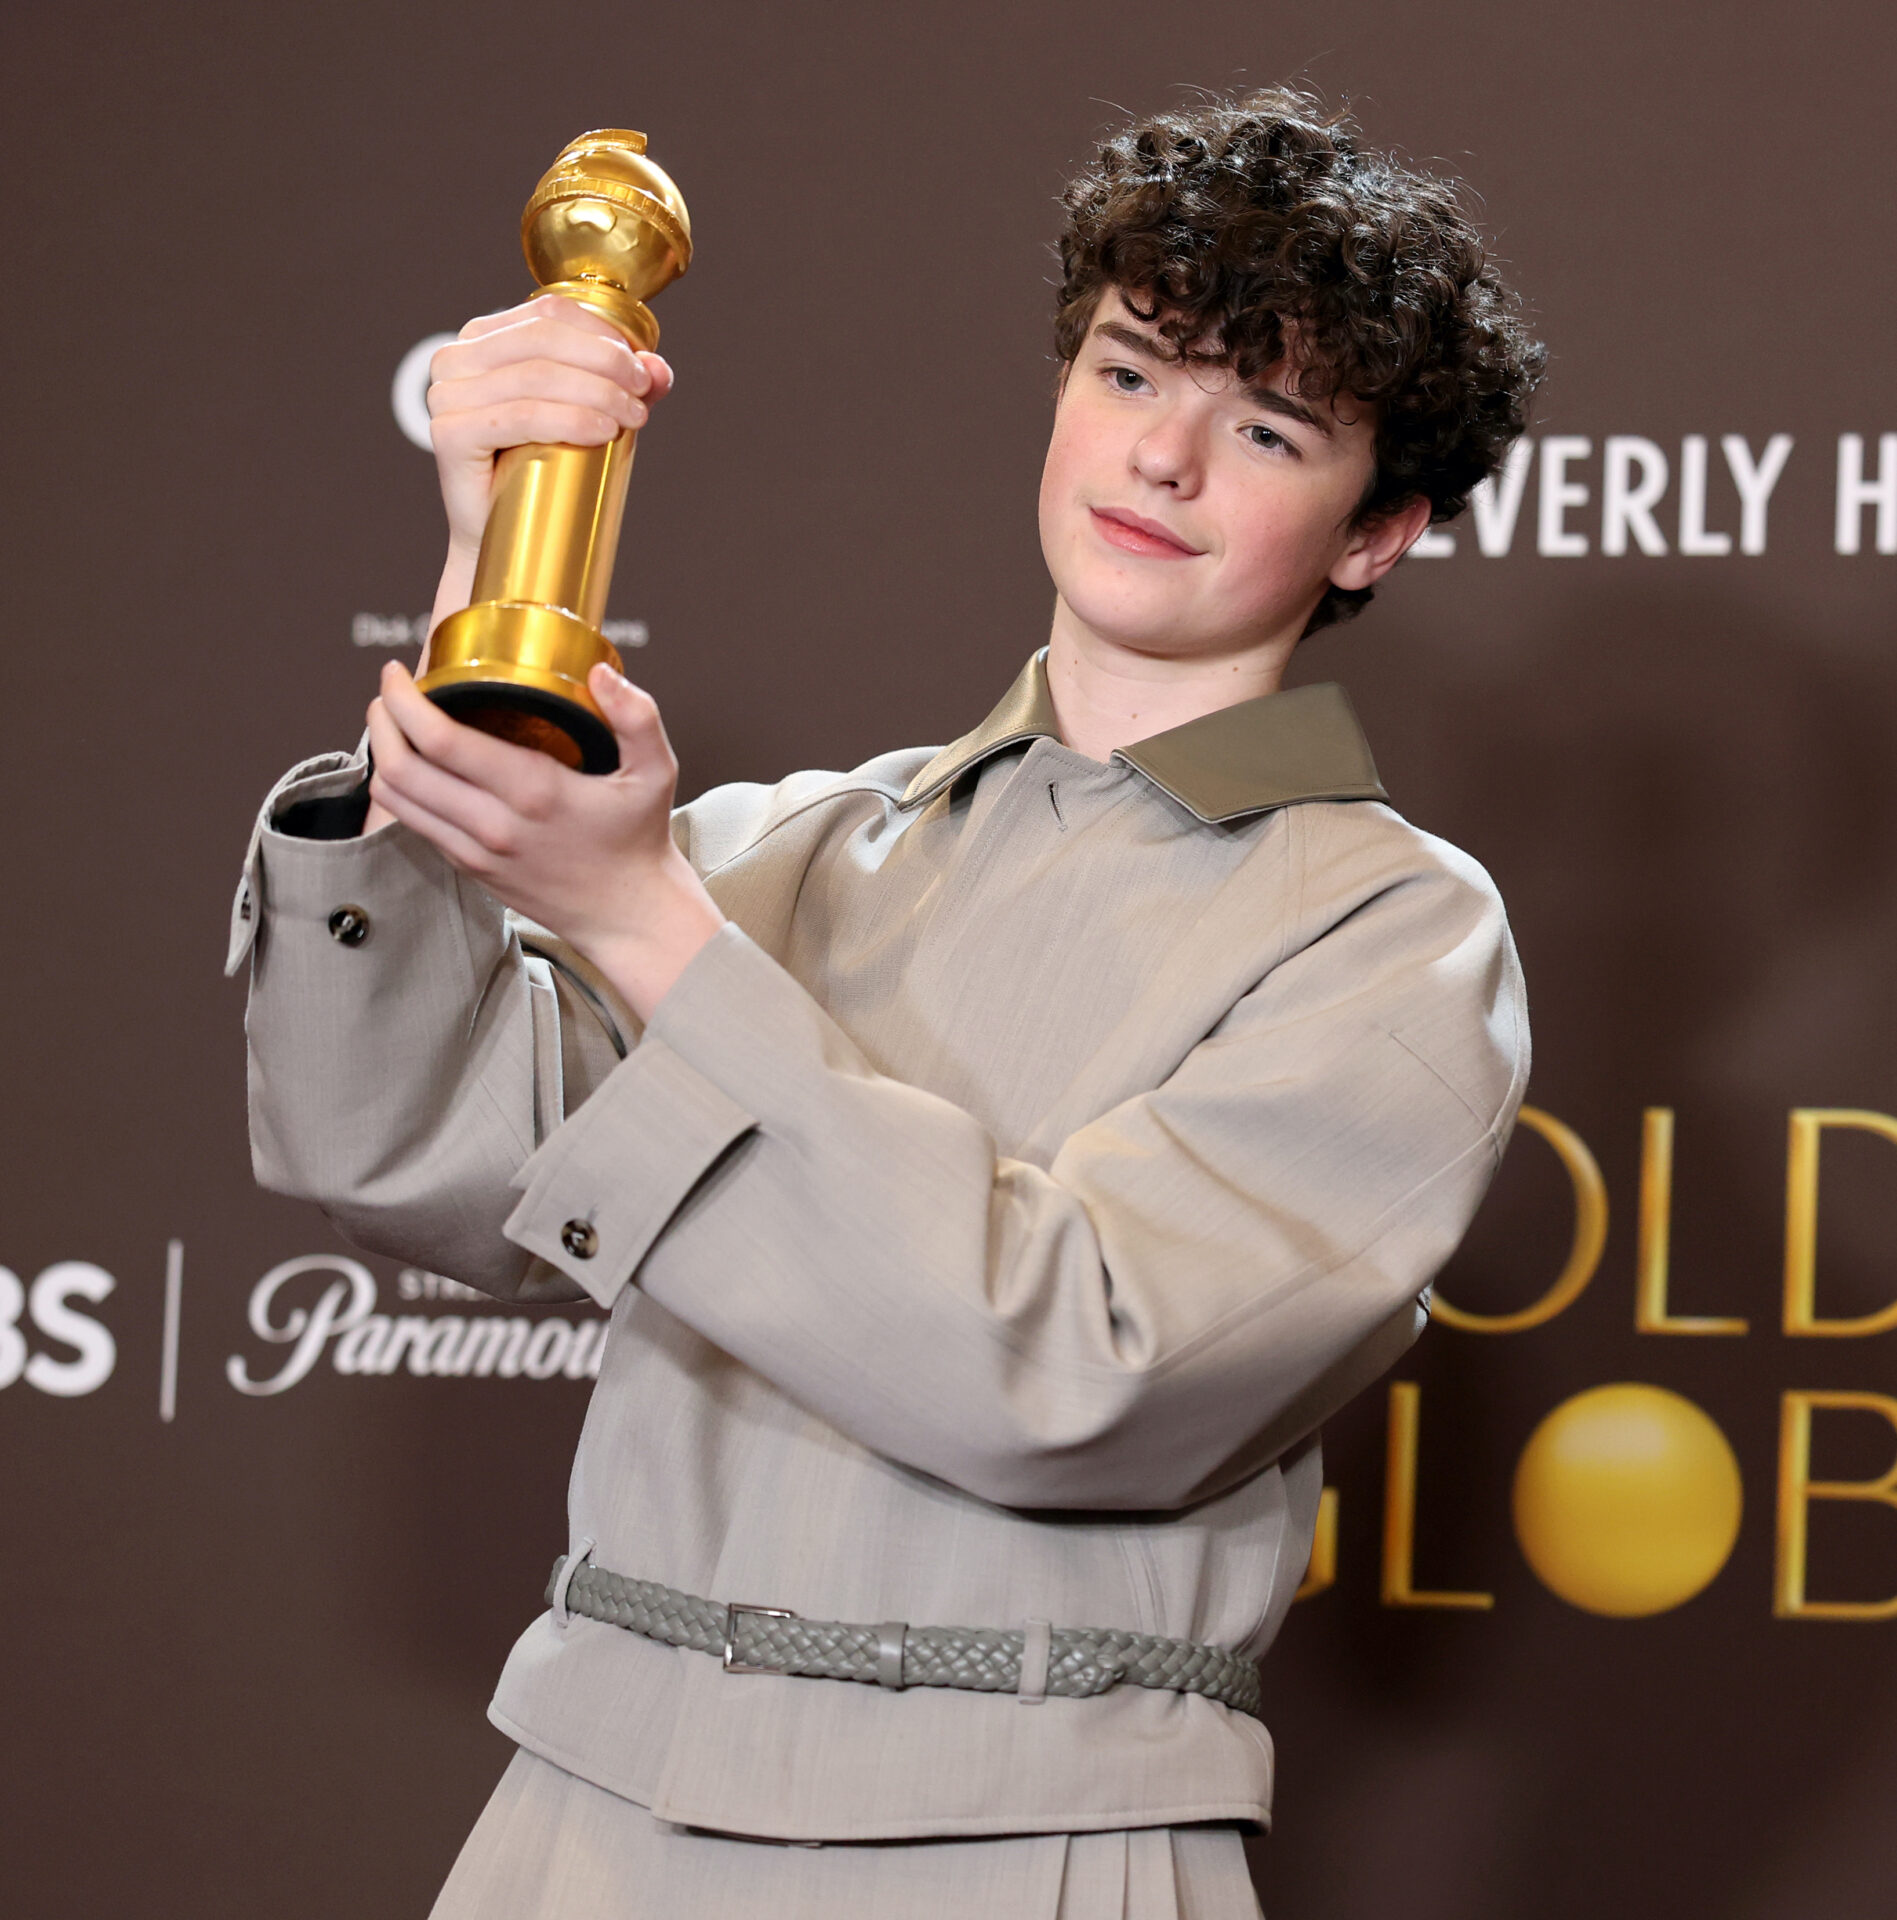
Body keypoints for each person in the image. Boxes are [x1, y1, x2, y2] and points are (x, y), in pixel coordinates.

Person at [232, 86, 1543, 1920]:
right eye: (1130, 371)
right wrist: (487, 581)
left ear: (1373, 530)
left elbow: (1078, 1374)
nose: (1161, 459)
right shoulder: (780, 848)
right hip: (583, 1816)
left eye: (1263, 425)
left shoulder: (1390, 931)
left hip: (1022, 1848)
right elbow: (401, 1152)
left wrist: (637, 916)